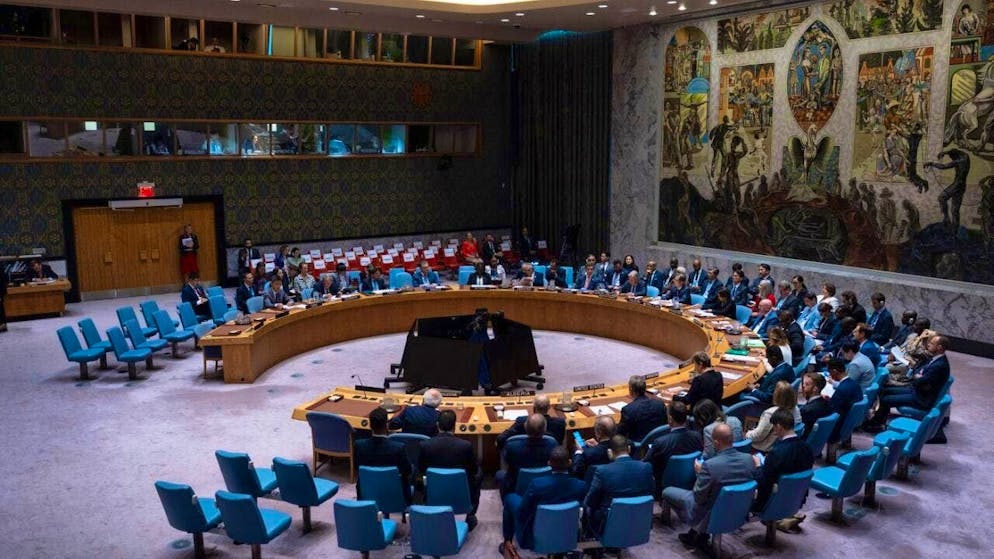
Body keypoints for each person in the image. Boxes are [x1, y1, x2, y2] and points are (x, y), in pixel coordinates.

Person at [662, 423, 757, 551]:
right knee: (713, 497)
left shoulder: (710, 466)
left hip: (709, 511)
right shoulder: (748, 459)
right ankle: (696, 534)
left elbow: (698, 497)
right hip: (738, 510)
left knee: (667, 492)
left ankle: (694, 529)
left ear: (716, 442)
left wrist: (700, 473)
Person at [502, 447, 587, 555]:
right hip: (568, 533)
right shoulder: (580, 486)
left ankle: (507, 542)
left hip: (535, 533)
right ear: (570, 462)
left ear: (549, 463)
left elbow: (523, 511)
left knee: (510, 498)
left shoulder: (537, 484)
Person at [867, 335, 950, 430]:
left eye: (931, 343)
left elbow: (921, 380)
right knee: (884, 390)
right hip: (918, 391)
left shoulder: (939, 365)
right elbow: (919, 374)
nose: (928, 345)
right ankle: (878, 421)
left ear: (939, 348)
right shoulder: (936, 359)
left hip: (921, 398)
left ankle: (876, 425)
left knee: (886, 399)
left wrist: (917, 377)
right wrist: (917, 376)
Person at [418, 410, 481, 530]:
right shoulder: (465, 445)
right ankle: (470, 513)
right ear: (455, 426)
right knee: (479, 474)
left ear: (437, 425)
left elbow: (421, 469)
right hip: (459, 487)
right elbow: (473, 470)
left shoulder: (425, 445)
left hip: (434, 489)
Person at [584, 435, 654, 537]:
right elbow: (650, 492)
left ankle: (591, 545)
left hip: (610, 521)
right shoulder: (646, 467)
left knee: (587, 507)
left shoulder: (602, 471)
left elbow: (591, 501)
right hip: (639, 519)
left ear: (609, 452)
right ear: (629, 449)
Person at [751, 408, 814, 519]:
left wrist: (758, 465)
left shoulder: (776, 453)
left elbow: (763, 481)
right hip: (797, 498)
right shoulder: (807, 448)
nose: (774, 431)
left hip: (771, 500)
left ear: (779, 426)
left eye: (774, 427)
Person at [644, 402, 703, 498]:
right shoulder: (697, 436)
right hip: (691, 481)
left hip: (664, 485)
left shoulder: (660, 442)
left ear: (670, 419)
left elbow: (646, 464)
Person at [354, 407, 412, 505]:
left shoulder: (359, 445)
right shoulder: (398, 448)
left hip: (367, 491)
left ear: (370, 425)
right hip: (394, 493)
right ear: (386, 425)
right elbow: (407, 471)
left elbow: (357, 467)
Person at [501, 414, 556, 496]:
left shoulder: (512, 445)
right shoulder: (552, 444)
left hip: (516, 484)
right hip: (545, 484)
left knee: (500, 474)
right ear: (545, 429)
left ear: (525, 427)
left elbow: (507, 462)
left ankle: (509, 502)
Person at [746, 381, 802, 452]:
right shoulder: (796, 409)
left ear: (776, 396)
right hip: (785, 446)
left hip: (765, 448)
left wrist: (747, 434)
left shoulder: (770, 413)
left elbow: (758, 436)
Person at [496, 394, 566, 449]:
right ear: (549, 407)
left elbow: (500, 439)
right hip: (549, 461)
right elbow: (560, 444)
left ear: (534, 406)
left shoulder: (522, 421)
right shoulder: (560, 423)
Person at [618, 375, 668, 443]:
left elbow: (621, 433)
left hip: (640, 447)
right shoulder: (660, 404)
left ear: (631, 390)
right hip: (660, 442)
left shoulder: (628, 410)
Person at [572, 415, 615, 482]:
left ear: (599, 432)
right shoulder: (621, 447)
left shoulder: (587, 453)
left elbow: (576, 471)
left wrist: (579, 451)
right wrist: (598, 445)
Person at [798, 372, 832, 439]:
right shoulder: (826, 403)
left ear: (815, 389)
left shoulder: (806, 410)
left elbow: (801, 434)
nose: (803, 386)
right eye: (803, 383)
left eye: (806, 384)